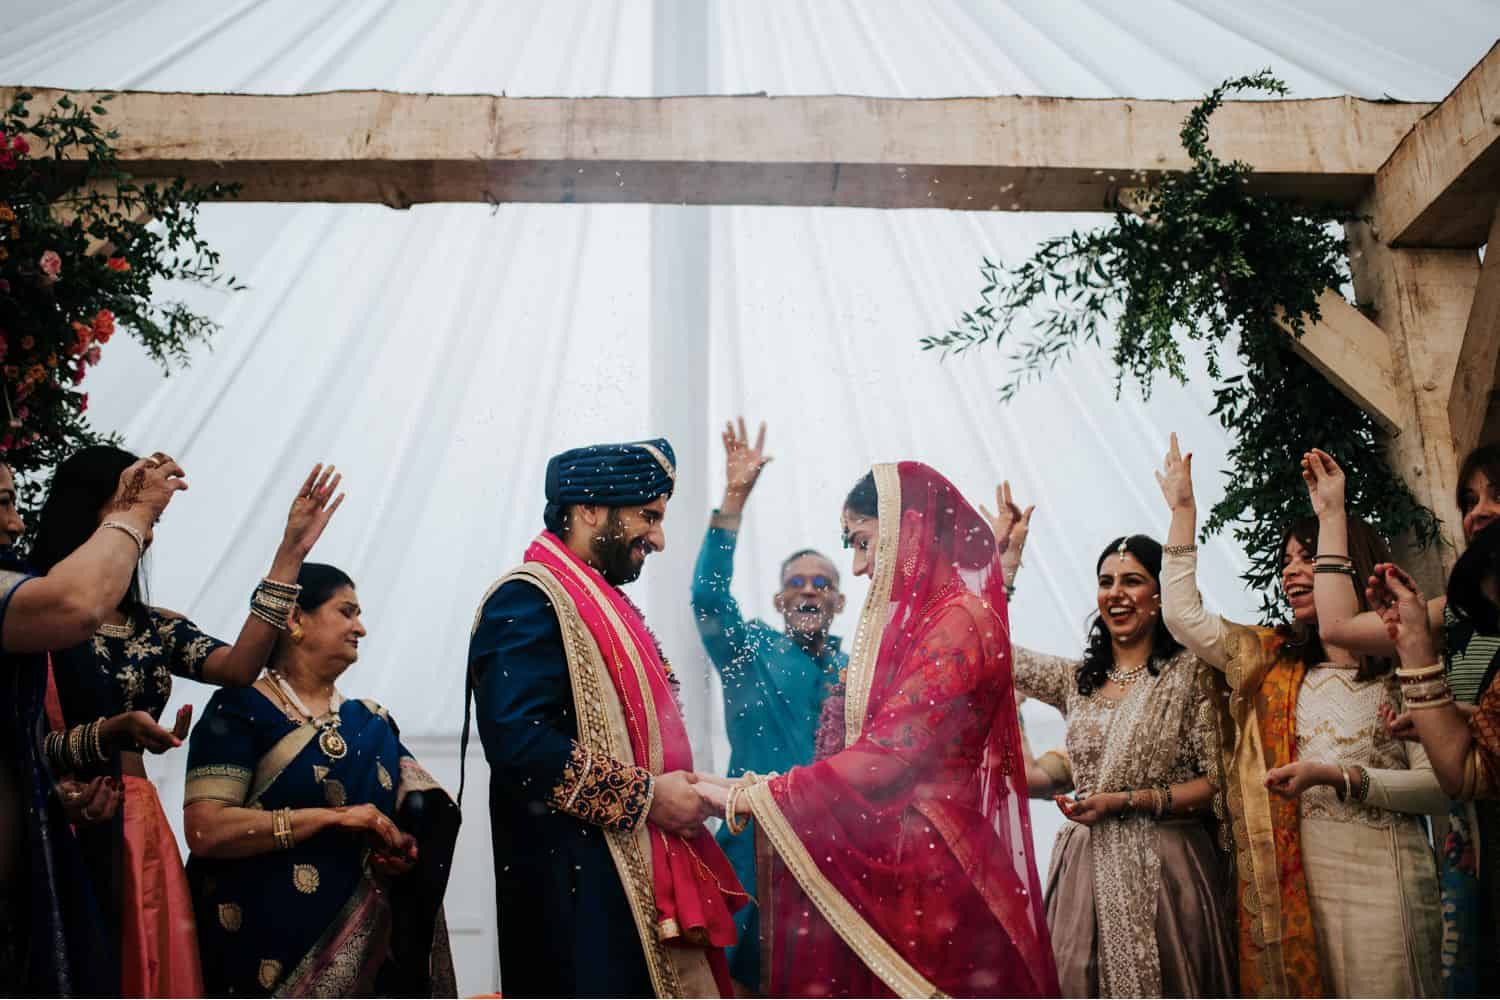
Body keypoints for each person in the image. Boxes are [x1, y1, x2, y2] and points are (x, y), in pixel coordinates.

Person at [709, 463, 1059, 998]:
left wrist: (752, 795)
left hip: (924, 865)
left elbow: (891, 754)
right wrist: (730, 505)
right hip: (825, 847)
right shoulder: (764, 651)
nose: (858, 566)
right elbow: (710, 605)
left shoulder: (949, 623)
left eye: (864, 543)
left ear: (909, 529)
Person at [34, 449, 345, 997]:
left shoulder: (153, 627)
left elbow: (239, 667)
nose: (147, 539)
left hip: (137, 820)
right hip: (58, 818)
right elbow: (23, 739)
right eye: (136, 519)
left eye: (150, 524)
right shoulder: (37, 615)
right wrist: (106, 735)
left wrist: (289, 555)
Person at [1158, 435, 1444, 997]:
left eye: (1307, 557)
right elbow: (1183, 617)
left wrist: (1339, 778)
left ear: (1349, 563)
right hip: (1292, 889)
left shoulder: (1405, 662)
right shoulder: (1274, 659)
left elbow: (1441, 788)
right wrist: (1183, 513)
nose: (1291, 571)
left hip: (1385, 880)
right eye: (1285, 561)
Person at [468, 438, 744, 998]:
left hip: (618, 884)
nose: (659, 538)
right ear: (589, 509)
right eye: (648, 515)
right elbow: (519, 744)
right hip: (576, 894)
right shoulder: (526, 600)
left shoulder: (603, 603)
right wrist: (647, 797)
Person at [183, 562, 459, 996]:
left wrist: (402, 851)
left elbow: (420, 816)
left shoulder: (371, 723)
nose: (360, 628)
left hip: (362, 959)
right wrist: (333, 818)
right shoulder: (239, 711)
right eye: (346, 612)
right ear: (295, 619)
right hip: (256, 950)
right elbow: (205, 829)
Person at [999, 499, 1235, 997]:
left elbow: (1219, 782)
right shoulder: (1076, 682)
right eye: (1107, 582)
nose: (1116, 593)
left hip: (1168, 870)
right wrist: (1005, 568)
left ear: (1160, 595)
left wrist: (1129, 802)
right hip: (1085, 873)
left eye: (1132, 580)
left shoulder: (1192, 674)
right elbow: (991, 649)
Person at [1312, 441, 1500, 995]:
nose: (1479, 511)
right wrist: (1330, 516)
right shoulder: (1460, 609)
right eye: (1469, 499)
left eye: (1497, 495)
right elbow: (1339, 629)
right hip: (1477, 837)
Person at [0, 453, 186, 995]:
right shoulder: (46, 607)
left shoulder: (149, 625)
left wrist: (60, 798)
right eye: (4, 503)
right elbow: (77, 605)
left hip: (40, 878)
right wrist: (134, 511)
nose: (16, 522)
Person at [689, 418, 847, 989]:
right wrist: (734, 499)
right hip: (749, 839)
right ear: (781, 598)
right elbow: (708, 595)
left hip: (832, 848)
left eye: (822, 583)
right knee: (741, 979)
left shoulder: (858, 669)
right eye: (798, 583)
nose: (809, 590)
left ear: (840, 600)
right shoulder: (748, 649)